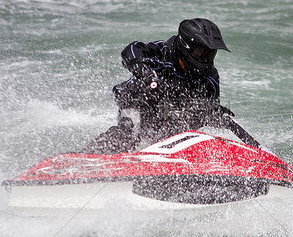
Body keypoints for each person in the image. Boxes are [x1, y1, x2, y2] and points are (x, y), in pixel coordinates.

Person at [83, 18, 234, 154]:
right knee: (128, 135)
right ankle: (88, 158)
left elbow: (203, 114)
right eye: (202, 53)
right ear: (186, 48)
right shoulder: (162, 51)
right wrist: (147, 75)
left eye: (210, 54)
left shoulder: (210, 79)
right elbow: (130, 51)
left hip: (171, 116)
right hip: (137, 104)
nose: (207, 60)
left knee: (183, 138)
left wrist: (213, 113)